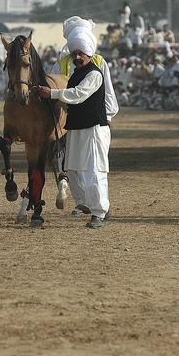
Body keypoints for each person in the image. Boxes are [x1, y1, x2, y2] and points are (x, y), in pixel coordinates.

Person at [38, 25, 112, 229]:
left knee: (93, 171)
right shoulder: (75, 74)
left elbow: (78, 95)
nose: (77, 57)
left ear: (89, 54)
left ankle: (99, 212)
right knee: (75, 171)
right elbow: (69, 100)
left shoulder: (94, 74)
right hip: (77, 129)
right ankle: (95, 206)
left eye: (81, 53)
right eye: (74, 54)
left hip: (93, 129)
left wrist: (52, 94)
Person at [52, 16, 119, 215]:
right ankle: (82, 203)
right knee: (70, 165)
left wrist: (108, 117)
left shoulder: (98, 63)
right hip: (68, 124)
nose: (78, 56)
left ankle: (99, 208)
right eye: (75, 51)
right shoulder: (62, 64)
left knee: (93, 167)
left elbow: (107, 93)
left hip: (94, 123)